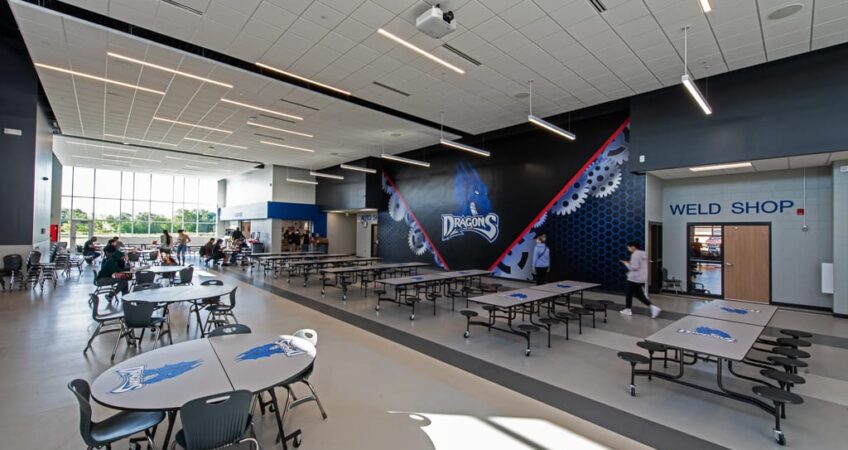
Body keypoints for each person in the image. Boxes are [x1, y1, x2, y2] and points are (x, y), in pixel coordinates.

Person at [620, 241, 661, 318]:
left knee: (629, 294)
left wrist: (626, 264)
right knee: (638, 295)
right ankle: (653, 307)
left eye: (629, 247)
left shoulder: (635, 254)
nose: (628, 249)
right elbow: (639, 264)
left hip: (634, 278)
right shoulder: (642, 254)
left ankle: (628, 309)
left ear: (633, 247)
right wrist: (631, 262)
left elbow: (634, 267)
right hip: (640, 278)